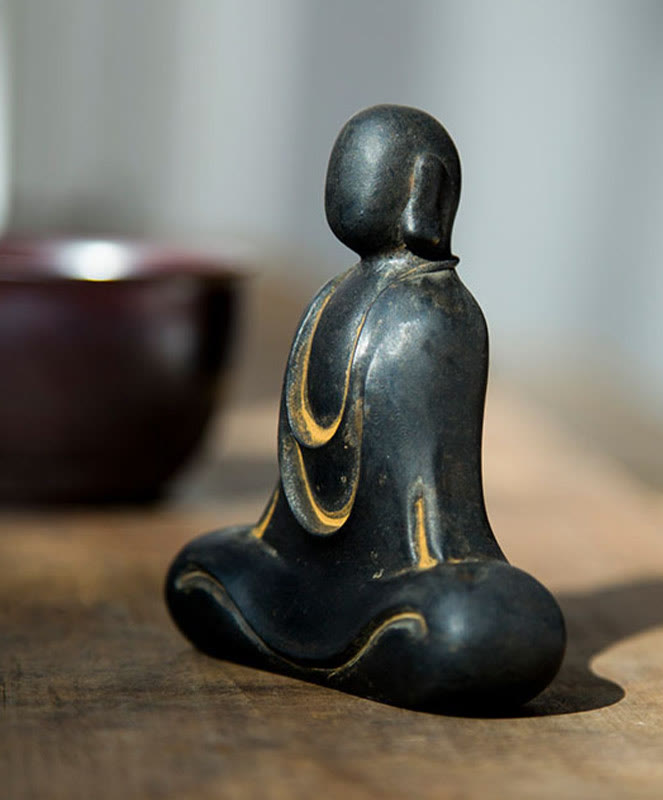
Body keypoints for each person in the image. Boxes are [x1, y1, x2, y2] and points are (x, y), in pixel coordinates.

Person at [165, 105, 565, 710]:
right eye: (341, 172)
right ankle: (343, 636)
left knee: (478, 625)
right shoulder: (329, 299)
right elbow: (294, 493)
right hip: (300, 569)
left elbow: (436, 497)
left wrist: (438, 568)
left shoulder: (441, 315)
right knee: (201, 569)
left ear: (423, 189)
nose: (342, 188)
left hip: (406, 569)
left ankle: (353, 632)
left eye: (362, 171)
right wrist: (270, 550)